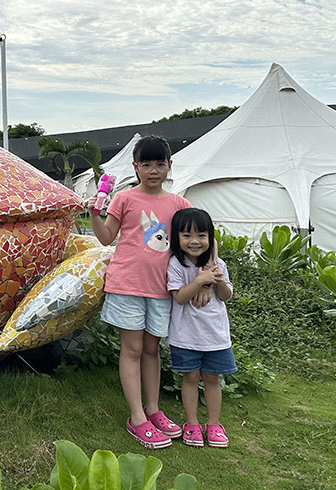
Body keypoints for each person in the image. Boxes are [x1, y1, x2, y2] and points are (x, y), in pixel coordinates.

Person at [88, 135, 198, 449]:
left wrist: (209, 273)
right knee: (133, 349)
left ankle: (154, 409)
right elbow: (107, 238)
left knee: (152, 350)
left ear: (169, 165)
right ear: (135, 167)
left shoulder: (178, 204)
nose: (153, 170)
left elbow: (202, 234)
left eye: (159, 163)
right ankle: (137, 416)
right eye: (146, 164)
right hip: (127, 286)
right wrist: (95, 214)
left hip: (163, 290)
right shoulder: (123, 199)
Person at [166, 207, 236, 449]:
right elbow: (180, 298)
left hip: (214, 335)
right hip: (186, 336)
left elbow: (226, 295)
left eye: (201, 235)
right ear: (176, 238)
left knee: (212, 379)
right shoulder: (176, 264)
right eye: (186, 235)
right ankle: (192, 423)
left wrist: (217, 282)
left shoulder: (219, 265)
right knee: (190, 378)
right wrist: (198, 281)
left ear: (210, 237)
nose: (194, 241)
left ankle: (214, 424)